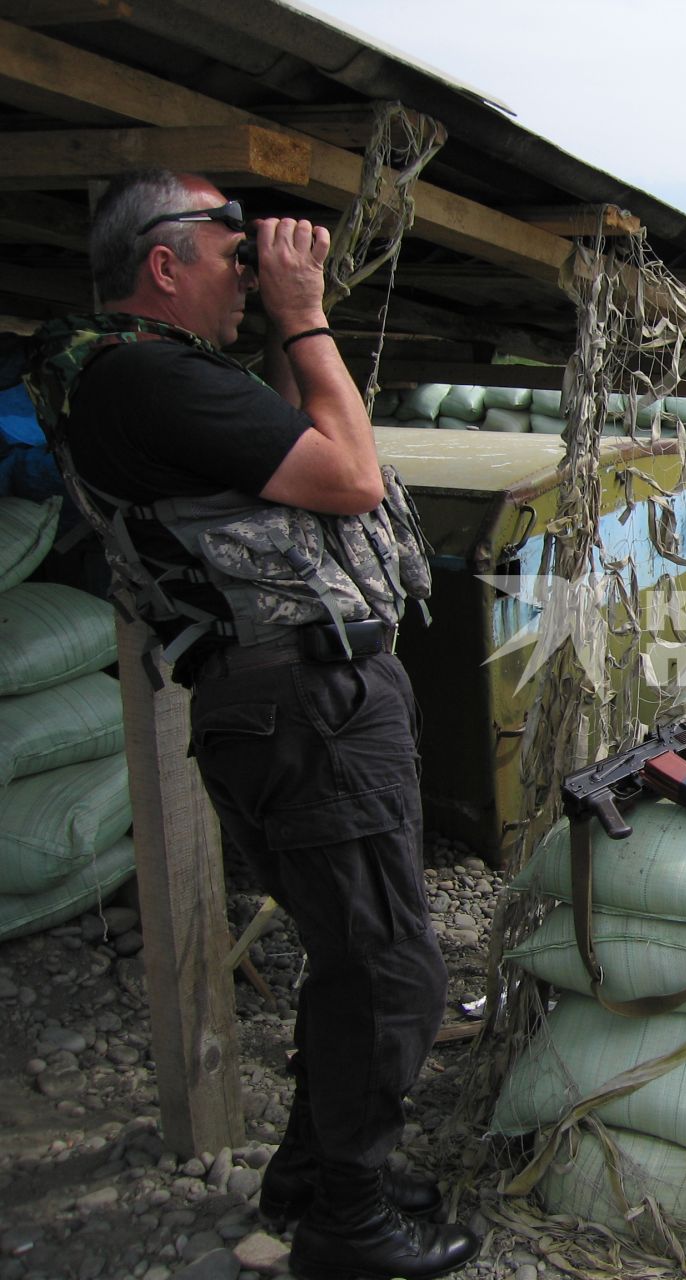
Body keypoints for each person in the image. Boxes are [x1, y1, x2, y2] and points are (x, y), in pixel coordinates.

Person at [24, 170, 477, 1280]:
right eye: (233, 255)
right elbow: (352, 474)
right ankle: (347, 1224)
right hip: (303, 703)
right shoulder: (146, 378)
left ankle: (313, 1178)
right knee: (393, 975)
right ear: (163, 266)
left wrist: (286, 329)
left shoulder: (151, 384)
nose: (250, 274)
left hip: (289, 701)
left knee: (348, 957)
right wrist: (306, 313)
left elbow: (300, 435)